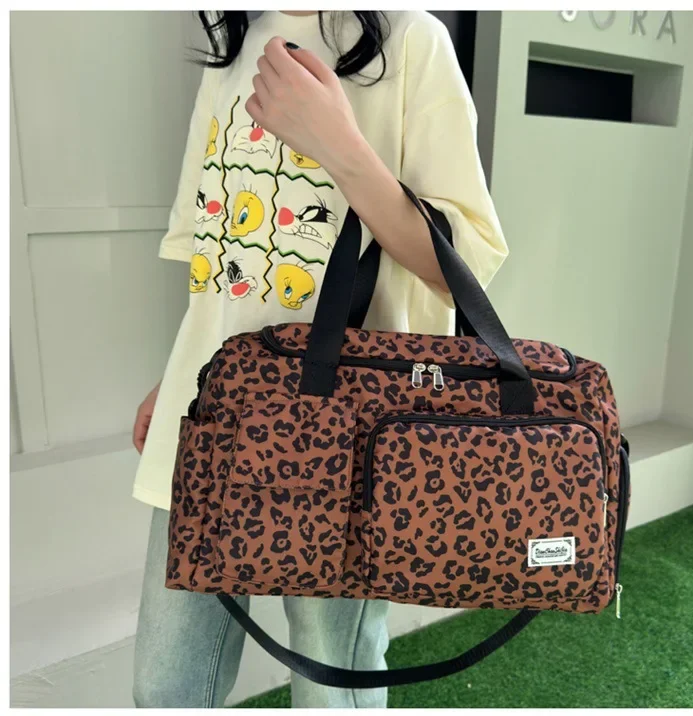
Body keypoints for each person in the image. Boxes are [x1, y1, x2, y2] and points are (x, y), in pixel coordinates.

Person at [131, 9, 509, 709]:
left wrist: (341, 146)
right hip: (211, 414)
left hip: (347, 433)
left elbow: (465, 264)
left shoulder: (410, 39)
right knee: (166, 687)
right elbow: (217, 261)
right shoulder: (233, 49)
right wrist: (173, 376)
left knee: (332, 681)